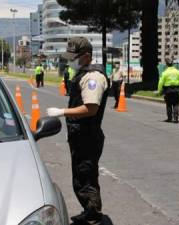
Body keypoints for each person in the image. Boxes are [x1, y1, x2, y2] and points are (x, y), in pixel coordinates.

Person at [46, 37, 109, 225]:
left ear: (87, 56)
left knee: (86, 178)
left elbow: (91, 108)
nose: (71, 60)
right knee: (81, 177)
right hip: (81, 134)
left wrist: (62, 112)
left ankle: (93, 218)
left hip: (88, 136)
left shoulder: (93, 78)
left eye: (75, 57)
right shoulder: (82, 73)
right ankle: (89, 212)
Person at [157, 58, 179, 123]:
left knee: (168, 104)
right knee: (176, 104)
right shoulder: (178, 72)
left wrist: (159, 90)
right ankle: (176, 118)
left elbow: (161, 82)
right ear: (173, 64)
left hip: (167, 89)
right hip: (176, 89)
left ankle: (169, 118)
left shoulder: (165, 73)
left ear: (166, 64)